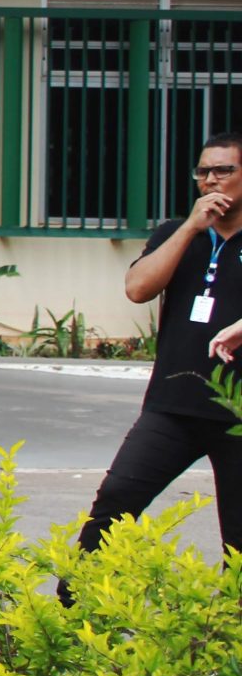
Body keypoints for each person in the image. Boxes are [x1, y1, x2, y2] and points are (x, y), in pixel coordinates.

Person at [87, 131, 242, 559]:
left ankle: (229, 625)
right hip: (173, 406)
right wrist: (192, 226)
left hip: (239, 414)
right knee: (115, 502)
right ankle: (71, 610)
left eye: (224, 170)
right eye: (203, 172)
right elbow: (137, 289)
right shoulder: (177, 233)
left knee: (240, 542)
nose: (211, 180)